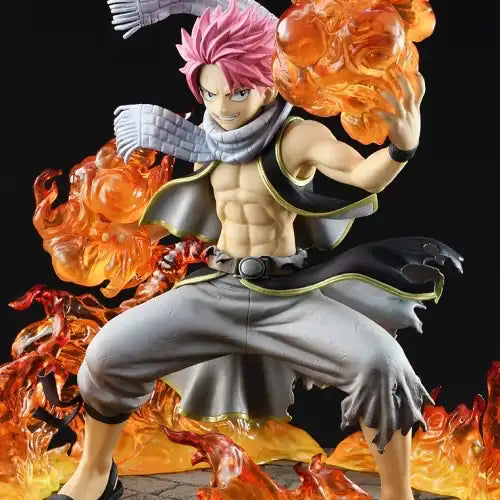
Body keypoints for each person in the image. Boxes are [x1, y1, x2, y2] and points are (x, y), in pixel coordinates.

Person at [48, 1, 463, 499]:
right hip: (216, 290)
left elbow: (359, 175)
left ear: (269, 84)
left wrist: (400, 149)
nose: (223, 107)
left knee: (382, 365)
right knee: (106, 356)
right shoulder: (208, 138)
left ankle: (398, 494)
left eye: (238, 92)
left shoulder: (296, 137)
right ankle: (95, 475)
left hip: (284, 296)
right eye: (210, 92)